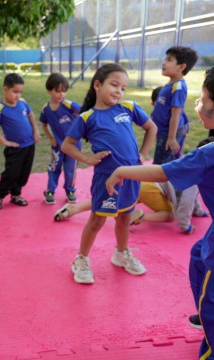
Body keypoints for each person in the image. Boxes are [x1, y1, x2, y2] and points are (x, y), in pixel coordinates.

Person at [106, 66, 214, 360]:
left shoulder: (207, 155)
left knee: (210, 300)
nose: (199, 106)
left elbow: (161, 172)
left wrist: (121, 170)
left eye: (203, 101)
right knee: (196, 253)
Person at [60, 63, 157, 284]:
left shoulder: (129, 108)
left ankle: (121, 254)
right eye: (114, 85)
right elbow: (67, 145)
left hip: (133, 176)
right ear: (97, 85)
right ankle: (81, 259)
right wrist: (87, 159)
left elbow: (152, 128)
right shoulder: (87, 118)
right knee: (97, 220)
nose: (119, 91)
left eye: (123, 88)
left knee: (124, 217)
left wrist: (143, 153)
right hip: (106, 179)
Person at [54, 180, 208, 234]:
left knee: (108, 201)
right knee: (170, 215)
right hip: (153, 190)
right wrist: (185, 226)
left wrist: (198, 211)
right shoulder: (195, 181)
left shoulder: (190, 165)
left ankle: (73, 209)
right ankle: (141, 217)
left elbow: (193, 198)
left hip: (140, 182)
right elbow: (186, 204)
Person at [0, 73, 41, 209]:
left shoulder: (22, 103)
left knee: (24, 174)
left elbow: (31, 114)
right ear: (5, 89)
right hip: (15, 148)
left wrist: (36, 131)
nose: (18, 95)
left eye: (20, 92)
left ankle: (15, 195)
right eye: (15, 92)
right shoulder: (0, 109)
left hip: (29, 145)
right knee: (11, 173)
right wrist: (4, 142)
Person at [39, 73, 82, 205]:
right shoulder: (45, 110)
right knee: (54, 168)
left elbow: (85, 113)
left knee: (70, 170)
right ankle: (50, 191)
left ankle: (70, 190)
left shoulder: (70, 105)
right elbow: (44, 125)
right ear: (48, 90)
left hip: (74, 147)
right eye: (57, 91)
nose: (61, 94)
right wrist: (51, 138)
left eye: (64, 91)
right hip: (57, 147)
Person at [152, 46, 198, 165]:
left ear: (181, 67)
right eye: (165, 59)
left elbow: (176, 114)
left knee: (162, 164)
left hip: (169, 133)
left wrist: (172, 138)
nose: (164, 63)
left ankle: (162, 183)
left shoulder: (178, 87)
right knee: (162, 160)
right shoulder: (171, 84)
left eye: (169, 60)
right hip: (163, 131)